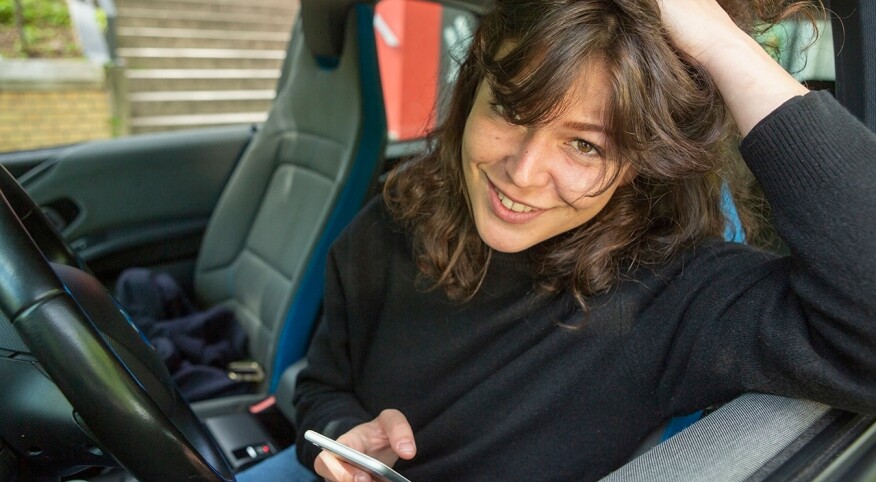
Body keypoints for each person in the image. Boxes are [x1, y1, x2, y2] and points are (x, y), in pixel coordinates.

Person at [237, 0, 876, 480]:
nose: (522, 171)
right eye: (511, 111)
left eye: (584, 144)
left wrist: (720, 44)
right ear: (471, 93)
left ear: (640, 162)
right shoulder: (390, 223)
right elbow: (322, 383)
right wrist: (345, 435)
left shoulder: (675, 297)